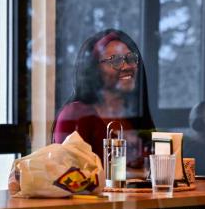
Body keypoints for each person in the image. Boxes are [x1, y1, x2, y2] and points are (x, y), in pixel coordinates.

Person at [53, 28, 155, 177]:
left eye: (131, 58)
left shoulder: (135, 115)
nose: (127, 66)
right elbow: (66, 177)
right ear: (94, 70)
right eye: (115, 60)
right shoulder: (76, 115)